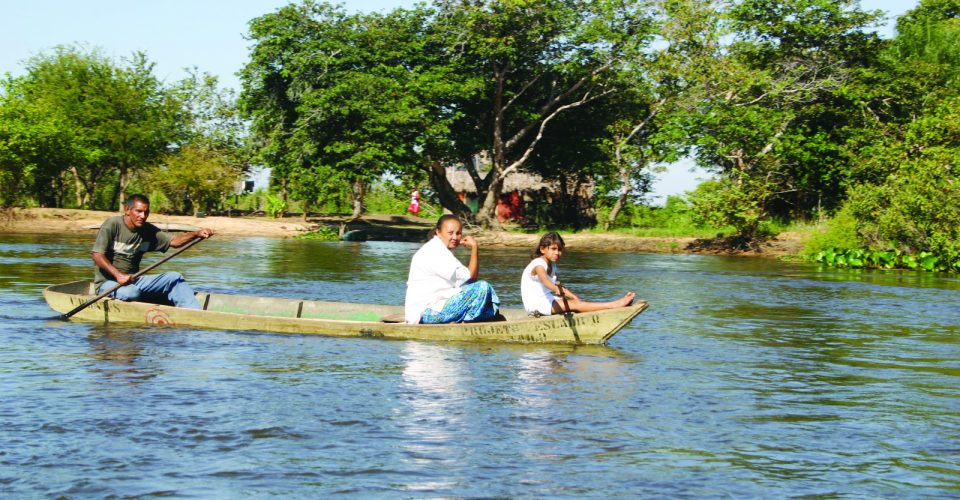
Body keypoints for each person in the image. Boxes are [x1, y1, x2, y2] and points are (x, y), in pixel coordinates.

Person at [91, 194, 214, 309]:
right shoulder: (113, 225)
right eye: (138, 211)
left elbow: (175, 242)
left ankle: (194, 313)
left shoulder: (147, 230)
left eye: (146, 212)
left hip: (134, 280)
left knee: (174, 278)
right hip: (108, 284)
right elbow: (97, 254)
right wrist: (119, 275)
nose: (143, 216)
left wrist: (196, 234)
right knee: (132, 293)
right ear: (127, 210)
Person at [404, 214, 500, 323]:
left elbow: (466, 282)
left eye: (458, 233)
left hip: (434, 307)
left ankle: (472, 319)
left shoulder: (439, 249)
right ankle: (468, 322)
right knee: (483, 287)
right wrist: (474, 247)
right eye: (450, 233)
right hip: (426, 313)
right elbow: (471, 278)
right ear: (438, 232)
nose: (455, 237)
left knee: (485, 294)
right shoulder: (435, 252)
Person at [521, 232, 635, 316]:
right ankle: (614, 305)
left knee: (576, 303)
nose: (557, 253)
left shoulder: (552, 265)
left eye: (559, 250)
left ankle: (608, 306)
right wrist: (556, 289)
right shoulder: (539, 264)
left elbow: (560, 287)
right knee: (575, 305)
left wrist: (574, 297)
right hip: (536, 305)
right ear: (542, 249)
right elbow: (544, 280)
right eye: (553, 249)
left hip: (547, 300)